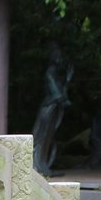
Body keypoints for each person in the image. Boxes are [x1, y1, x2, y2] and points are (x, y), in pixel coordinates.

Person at [32, 43, 74, 173]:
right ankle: (36, 164)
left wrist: (68, 79)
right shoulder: (50, 73)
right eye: (58, 56)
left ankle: (43, 164)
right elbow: (57, 94)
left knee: (48, 137)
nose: (60, 59)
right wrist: (62, 97)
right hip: (49, 107)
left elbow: (62, 94)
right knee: (41, 136)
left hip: (54, 107)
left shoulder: (56, 74)